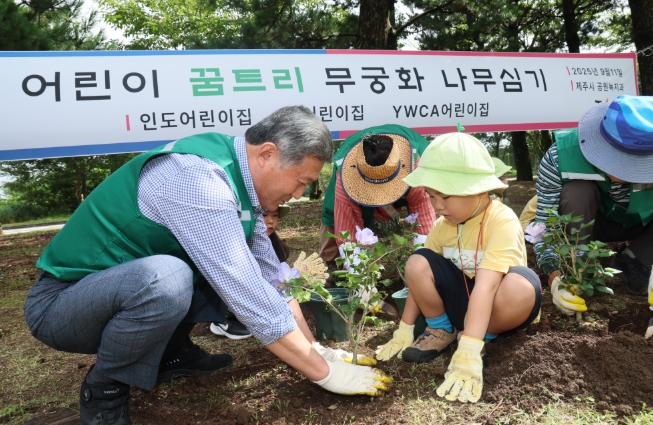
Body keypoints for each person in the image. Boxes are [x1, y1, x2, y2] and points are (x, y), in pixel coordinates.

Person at [24, 106, 392, 425]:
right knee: (168, 278)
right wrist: (323, 373)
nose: (298, 195)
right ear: (267, 154)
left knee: (190, 271)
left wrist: (316, 348)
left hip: (120, 296)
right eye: (301, 182)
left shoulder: (242, 188)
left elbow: (273, 278)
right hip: (62, 305)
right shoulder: (196, 178)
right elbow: (246, 290)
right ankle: (106, 387)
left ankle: (171, 353)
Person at [374, 131, 541, 404]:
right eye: (431, 196)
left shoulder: (502, 221)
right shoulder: (442, 226)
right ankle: (441, 330)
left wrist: (470, 346)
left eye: (446, 196)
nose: (437, 206)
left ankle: (477, 338)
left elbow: (486, 287)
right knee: (417, 260)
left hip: (498, 308)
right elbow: (418, 277)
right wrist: (405, 327)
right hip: (461, 305)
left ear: (480, 190)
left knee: (521, 285)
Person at [534, 95, 653, 308]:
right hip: (590, 224)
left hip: (645, 225)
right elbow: (544, 229)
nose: (624, 171)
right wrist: (554, 275)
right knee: (576, 192)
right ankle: (580, 264)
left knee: (641, 282)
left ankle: (633, 258)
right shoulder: (559, 157)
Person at [319, 125, 437, 318]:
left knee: (436, 242)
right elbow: (347, 237)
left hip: (413, 180)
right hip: (349, 190)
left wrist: (420, 278)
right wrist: (365, 290)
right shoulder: (345, 175)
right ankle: (339, 284)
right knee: (333, 241)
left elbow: (425, 228)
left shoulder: (418, 168)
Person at [210, 205, 291, 339]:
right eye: (264, 215)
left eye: (275, 216)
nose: (270, 221)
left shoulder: (274, 245)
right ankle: (223, 317)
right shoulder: (238, 244)